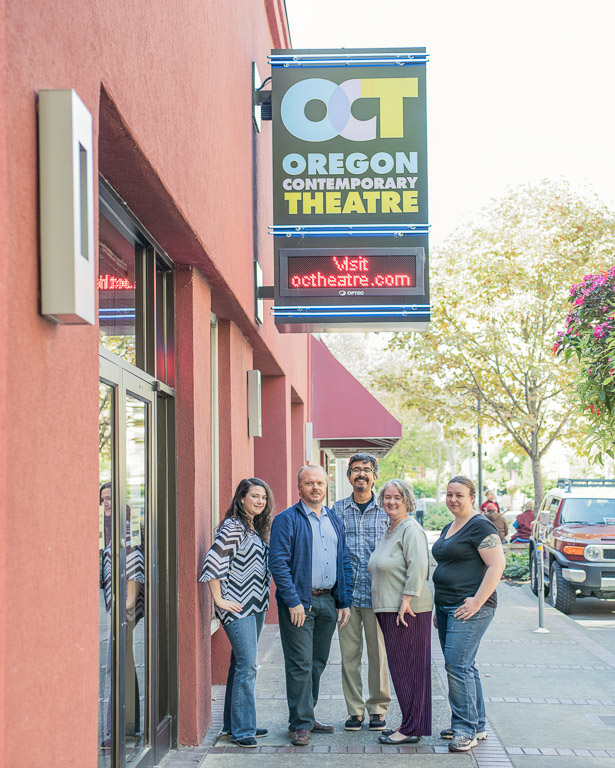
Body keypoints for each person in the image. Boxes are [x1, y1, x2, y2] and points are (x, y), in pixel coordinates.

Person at [269, 465, 352, 746]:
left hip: (328, 600)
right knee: (300, 663)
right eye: (309, 483)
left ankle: (307, 714)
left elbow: (344, 561)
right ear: (299, 488)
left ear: (326, 486)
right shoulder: (286, 519)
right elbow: (277, 564)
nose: (315, 488)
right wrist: (292, 601)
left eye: (319, 483)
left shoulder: (334, 519)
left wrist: (344, 601)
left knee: (317, 662)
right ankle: (300, 723)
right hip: (299, 603)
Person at [432, 475, 506, 753]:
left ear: (472, 497)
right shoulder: (450, 526)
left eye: (459, 495)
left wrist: (476, 601)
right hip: (447, 607)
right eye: (449, 494)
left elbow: (497, 566)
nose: (453, 499)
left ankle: (464, 730)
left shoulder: (480, 526)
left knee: (457, 665)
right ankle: (477, 723)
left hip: (471, 608)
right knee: (465, 665)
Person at [199, 478, 273, 748]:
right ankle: (243, 730)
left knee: (239, 664)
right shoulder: (233, 526)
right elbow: (212, 562)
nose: (260, 501)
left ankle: (234, 724)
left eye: (263, 497)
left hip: (255, 606)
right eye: (254, 496)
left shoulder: (251, 527)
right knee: (248, 665)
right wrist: (220, 599)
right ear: (241, 498)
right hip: (238, 606)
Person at [368, 479, 433, 745]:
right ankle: (410, 723)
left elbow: (418, 565)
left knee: (410, 669)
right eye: (387, 497)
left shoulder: (410, 528)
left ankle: (412, 729)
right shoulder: (391, 528)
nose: (391, 502)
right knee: (401, 669)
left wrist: (406, 599)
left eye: (397, 497)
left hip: (407, 610)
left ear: (407, 500)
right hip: (390, 608)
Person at [332, 453, 390, 733]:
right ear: (349, 477)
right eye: (356, 470)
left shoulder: (388, 510)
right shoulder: (337, 510)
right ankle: (354, 711)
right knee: (349, 657)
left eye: (366, 470)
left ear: (375, 476)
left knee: (379, 656)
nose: (361, 474)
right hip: (347, 598)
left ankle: (377, 709)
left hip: (379, 596)